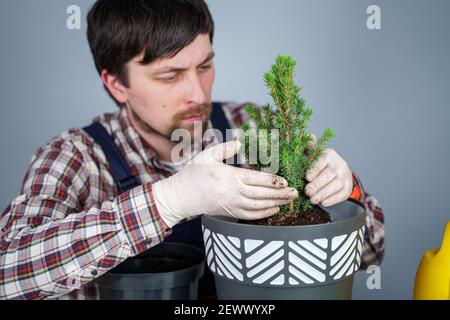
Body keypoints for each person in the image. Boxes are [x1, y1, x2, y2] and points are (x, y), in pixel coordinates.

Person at [0, 0, 384, 300]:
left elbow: (370, 255)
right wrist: (170, 201)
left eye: (205, 66)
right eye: (170, 75)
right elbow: (7, 272)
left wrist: (346, 192)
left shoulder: (253, 129)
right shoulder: (77, 157)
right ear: (116, 84)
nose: (198, 94)